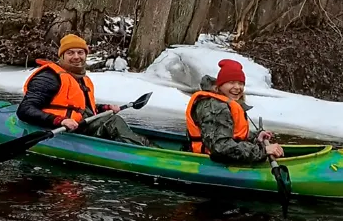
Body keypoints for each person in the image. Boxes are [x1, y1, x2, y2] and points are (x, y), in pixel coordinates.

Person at [17, 34, 153, 147]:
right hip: (61, 128)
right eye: (70, 53)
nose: (76, 57)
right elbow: (25, 109)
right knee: (113, 122)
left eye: (80, 52)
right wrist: (60, 120)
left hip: (81, 125)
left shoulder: (80, 77)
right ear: (62, 56)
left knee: (122, 126)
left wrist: (104, 107)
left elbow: (79, 107)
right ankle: (143, 155)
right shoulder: (48, 78)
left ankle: (149, 148)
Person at [185, 59, 284, 163]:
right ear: (220, 86)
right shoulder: (215, 107)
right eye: (231, 82)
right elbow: (221, 148)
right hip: (207, 162)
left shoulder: (226, 102)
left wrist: (255, 138)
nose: (237, 87)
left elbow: (231, 133)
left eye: (241, 83)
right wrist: (263, 150)